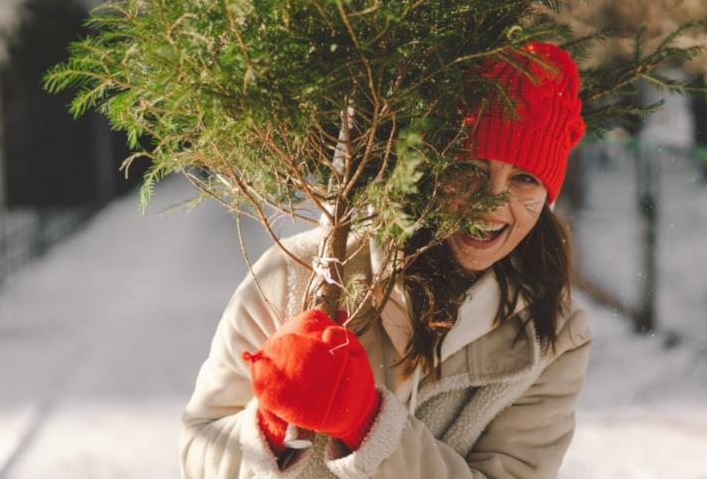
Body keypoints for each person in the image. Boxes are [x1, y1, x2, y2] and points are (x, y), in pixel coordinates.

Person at [180, 41, 590, 479]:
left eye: (524, 178)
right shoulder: (292, 274)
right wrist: (271, 425)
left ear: (547, 197)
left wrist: (370, 427)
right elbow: (200, 454)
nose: (492, 200)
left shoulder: (553, 335)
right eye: (468, 167)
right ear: (427, 171)